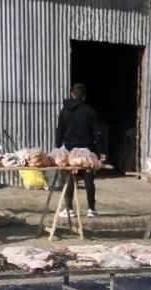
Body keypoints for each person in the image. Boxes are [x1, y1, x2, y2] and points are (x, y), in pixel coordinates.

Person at [54, 83, 107, 218]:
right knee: (89, 179)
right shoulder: (91, 111)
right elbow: (97, 133)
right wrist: (101, 152)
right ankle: (91, 209)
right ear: (84, 96)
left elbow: (60, 131)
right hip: (85, 152)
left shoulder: (64, 111)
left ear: (72, 94)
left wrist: (57, 147)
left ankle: (69, 209)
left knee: (69, 179)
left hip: (68, 151)